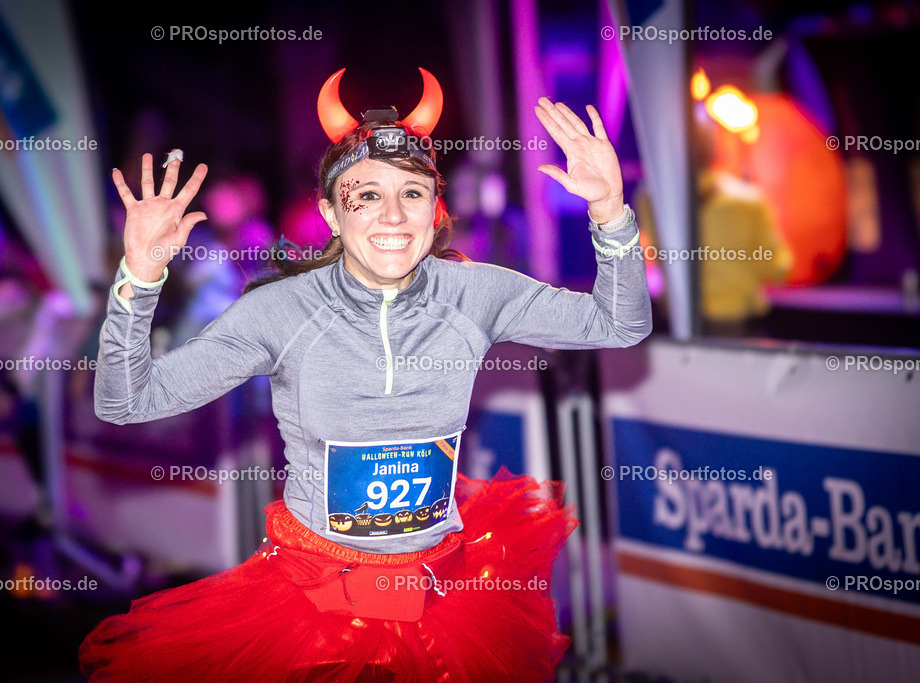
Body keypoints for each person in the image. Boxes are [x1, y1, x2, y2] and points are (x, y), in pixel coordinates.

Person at [79, 68, 651, 682]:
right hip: (311, 608)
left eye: (412, 193)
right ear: (330, 212)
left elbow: (619, 325)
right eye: (367, 194)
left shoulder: (475, 293)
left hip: (447, 600)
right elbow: (126, 400)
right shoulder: (280, 311)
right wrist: (138, 279)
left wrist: (612, 214)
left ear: (435, 210)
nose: (393, 216)